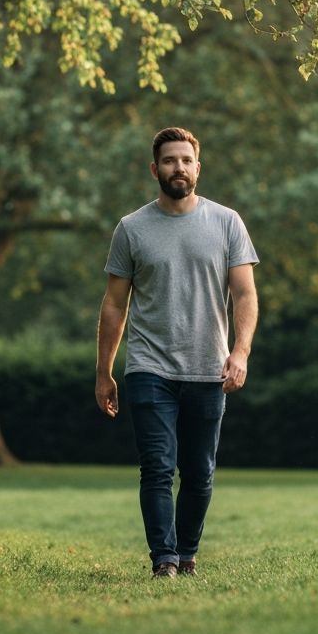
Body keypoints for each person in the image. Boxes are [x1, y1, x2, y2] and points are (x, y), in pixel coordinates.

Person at [95, 126, 259, 579]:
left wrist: (240, 352)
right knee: (157, 468)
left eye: (185, 160)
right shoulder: (131, 229)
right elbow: (114, 303)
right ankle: (163, 559)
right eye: (169, 161)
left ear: (198, 168)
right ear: (155, 169)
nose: (178, 168)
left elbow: (244, 295)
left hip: (209, 367)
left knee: (200, 472)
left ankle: (187, 552)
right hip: (150, 367)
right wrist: (104, 370)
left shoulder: (227, 223)